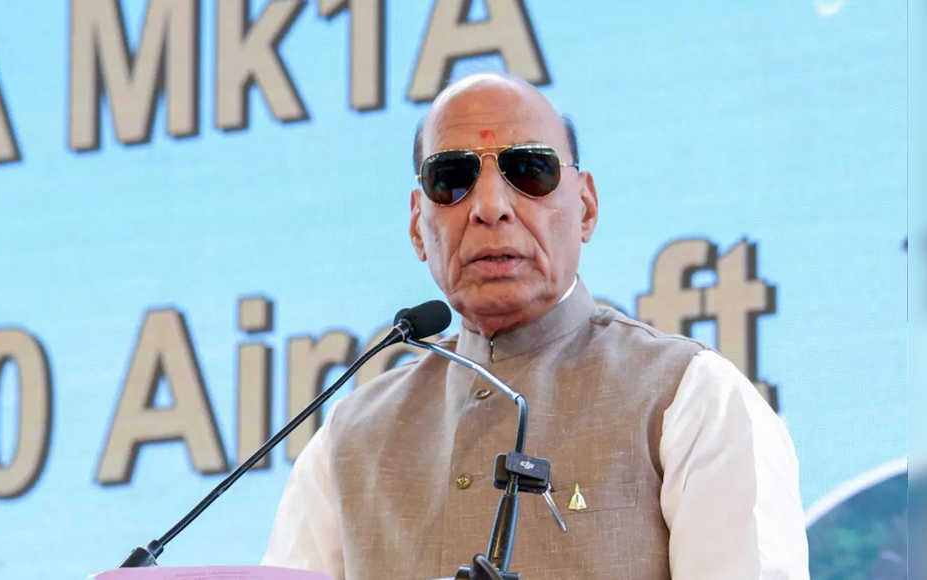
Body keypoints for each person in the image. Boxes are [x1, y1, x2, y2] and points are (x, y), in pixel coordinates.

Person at [262, 72, 809, 579]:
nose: (490, 206)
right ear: (416, 226)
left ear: (586, 206)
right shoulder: (348, 438)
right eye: (451, 179)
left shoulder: (691, 396)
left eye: (528, 171)